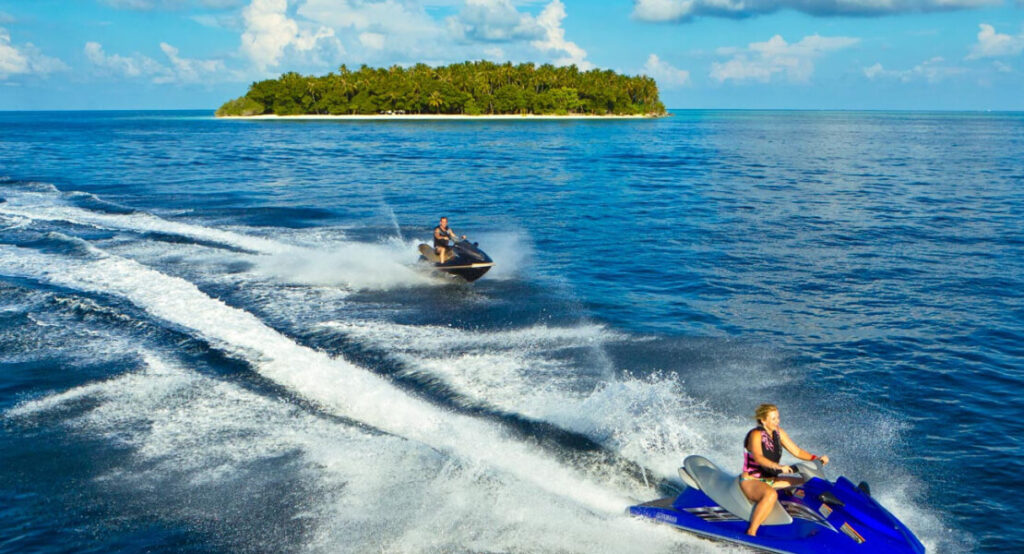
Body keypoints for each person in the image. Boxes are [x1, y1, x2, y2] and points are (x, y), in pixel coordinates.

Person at [740, 403, 829, 537]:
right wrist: (778, 467)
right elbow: (758, 457)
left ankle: (801, 521)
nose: (777, 421)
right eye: (773, 419)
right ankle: (751, 532)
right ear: (763, 420)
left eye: (778, 418)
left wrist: (816, 458)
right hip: (752, 480)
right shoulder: (756, 434)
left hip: (772, 480)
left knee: (805, 483)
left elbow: (797, 451)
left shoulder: (778, 433)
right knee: (770, 495)